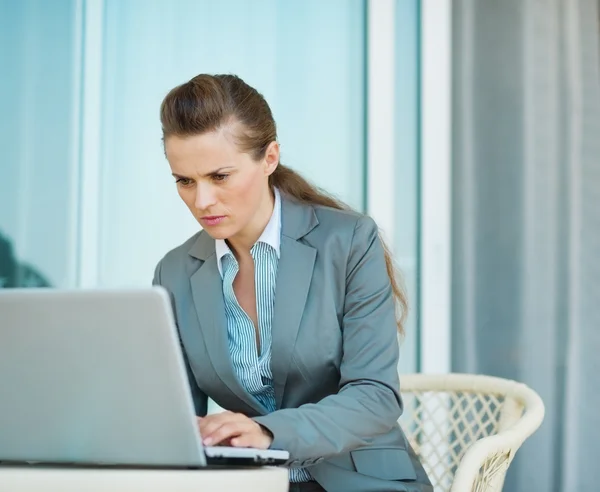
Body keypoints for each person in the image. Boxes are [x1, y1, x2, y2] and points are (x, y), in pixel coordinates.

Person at [153, 74, 433, 492]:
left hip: (361, 480)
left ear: (269, 158)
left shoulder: (349, 241)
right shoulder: (174, 272)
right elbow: (175, 419)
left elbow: (375, 397)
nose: (202, 201)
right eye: (185, 181)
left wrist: (267, 433)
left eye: (220, 176)